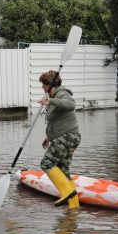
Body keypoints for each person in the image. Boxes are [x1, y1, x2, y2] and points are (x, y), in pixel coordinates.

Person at [38, 69, 81, 209]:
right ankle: (74, 206)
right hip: (67, 136)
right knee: (63, 170)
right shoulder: (55, 95)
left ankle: (67, 192)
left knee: (46, 163)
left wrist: (50, 100)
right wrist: (48, 137)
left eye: (43, 84)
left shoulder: (62, 93)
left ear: (49, 84)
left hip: (68, 136)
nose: (42, 87)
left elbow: (71, 104)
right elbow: (56, 120)